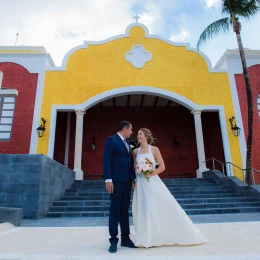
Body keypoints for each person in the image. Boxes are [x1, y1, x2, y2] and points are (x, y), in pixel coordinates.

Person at [132, 128, 208, 248]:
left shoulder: (154, 149)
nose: (138, 136)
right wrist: (137, 175)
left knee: (152, 207)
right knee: (143, 208)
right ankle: (145, 237)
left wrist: (150, 173)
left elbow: (162, 166)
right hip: (140, 184)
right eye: (137, 134)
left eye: (140, 134)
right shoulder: (135, 152)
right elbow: (135, 167)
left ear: (146, 136)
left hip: (152, 182)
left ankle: (157, 236)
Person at [102, 121, 137, 253]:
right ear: (125, 128)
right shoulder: (112, 140)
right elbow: (106, 160)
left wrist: (133, 178)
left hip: (127, 182)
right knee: (114, 210)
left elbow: (128, 163)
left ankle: (126, 239)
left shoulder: (127, 144)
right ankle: (113, 240)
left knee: (124, 211)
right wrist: (108, 179)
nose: (132, 132)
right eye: (131, 129)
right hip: (115, 182)